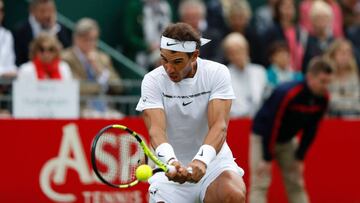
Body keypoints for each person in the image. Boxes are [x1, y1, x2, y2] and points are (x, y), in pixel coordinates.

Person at [136, 22, 246, 203]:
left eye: (177, 61)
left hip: (213, 166)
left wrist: (202, 160)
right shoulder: (152, 81)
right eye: (164, 59)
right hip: (168, 170)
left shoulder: (216, 73)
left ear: (194, 56)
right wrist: (171, 162)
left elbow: (219, 126)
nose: (169, 68)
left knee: (232, 195)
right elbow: (156, 131)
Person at [249, 57, 333, 203]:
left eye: (328, 82)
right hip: (263, 136)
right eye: (322, 81)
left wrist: (300, 157)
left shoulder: (323, 98)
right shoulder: (288, 93)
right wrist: (267, 157)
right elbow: (272, 124)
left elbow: (311, 129)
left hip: (287, 140)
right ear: (310, 77)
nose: (325, 86)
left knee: (296, 183)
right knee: (260, 183)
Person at [62, 18, 123, 118]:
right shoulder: (66, 58)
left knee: (120, 120)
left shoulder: (103, 58)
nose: (91, 43)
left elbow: (118, 86)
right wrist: (102, 85)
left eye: (94, 39)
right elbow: (77, 88)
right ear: (76, 39)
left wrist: (100, 70)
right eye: (87, 39)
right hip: (80, 109)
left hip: (106, 109)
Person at [13, 0, 71, 66]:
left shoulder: (61, 30)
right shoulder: (20, 31)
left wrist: (53, 30)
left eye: (50, 10)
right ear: (32, 11)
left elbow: (65, 53)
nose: (47, 15)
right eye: (42, 11)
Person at [222, 32, 267, 118]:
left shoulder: (260, 71)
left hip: (258, 121)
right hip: (236, 122)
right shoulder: (224, 74)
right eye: (232, 52)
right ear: (227, 56)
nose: (236, 55)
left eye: (239, 50)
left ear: (247, 50)